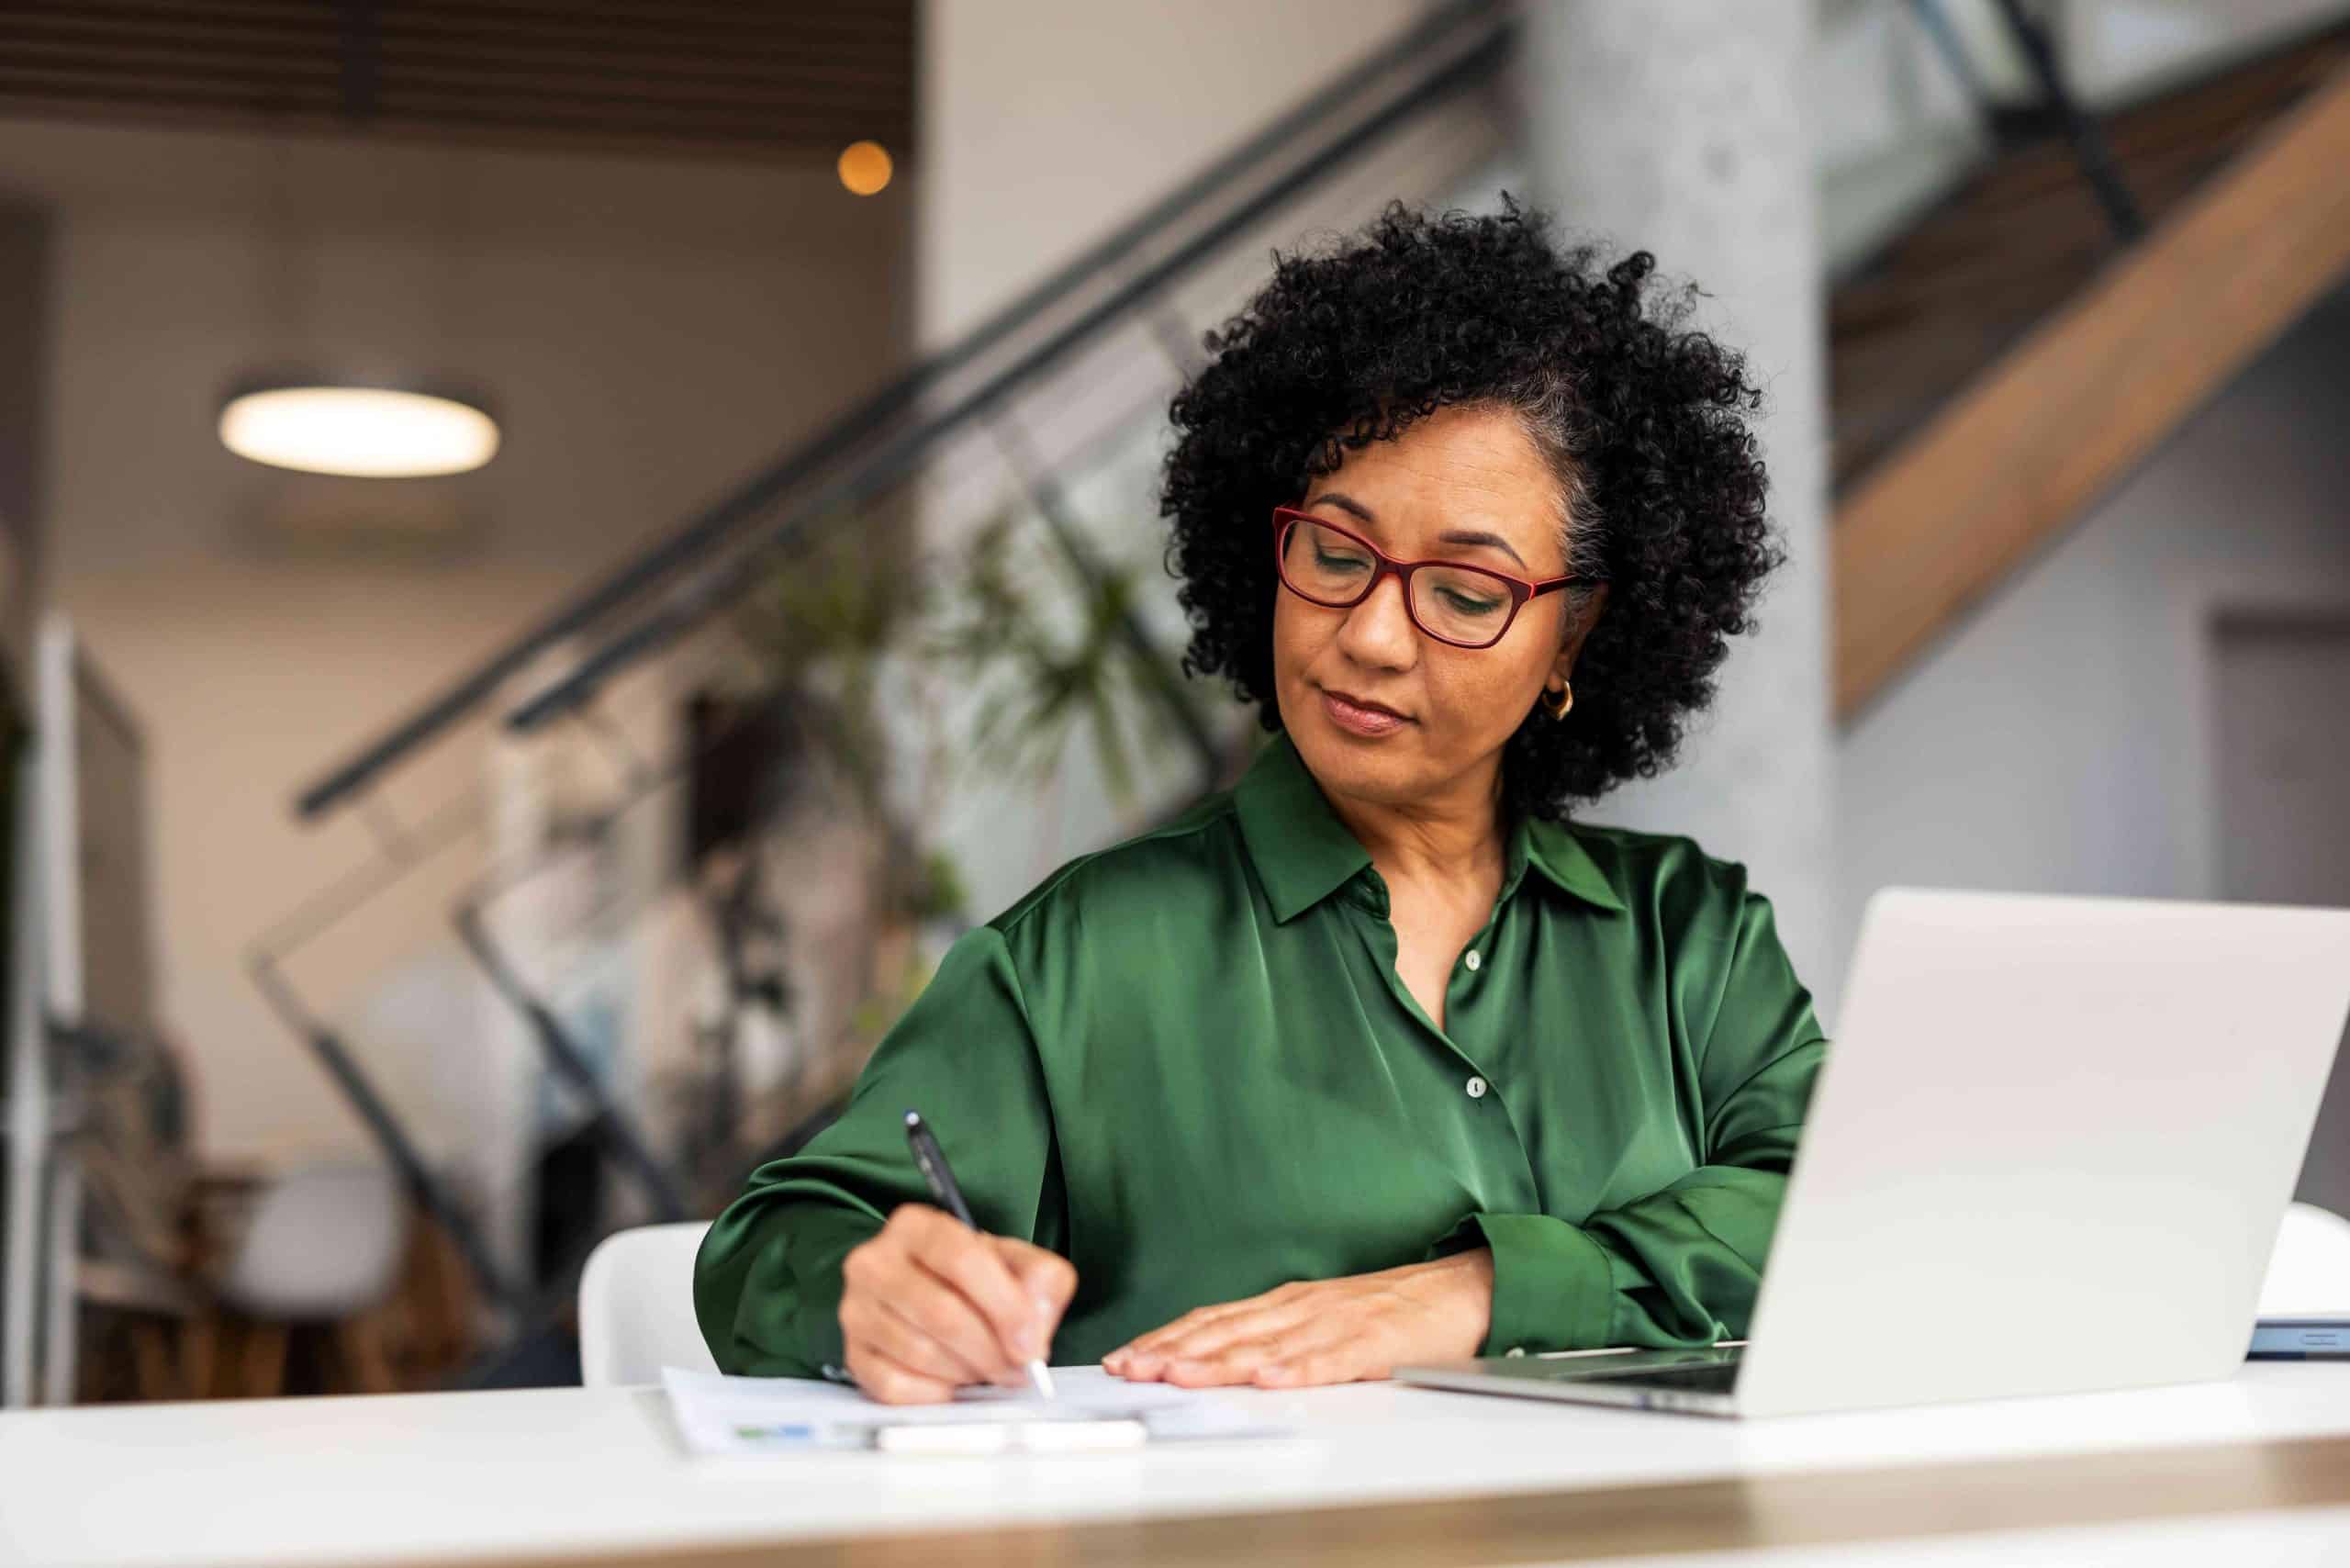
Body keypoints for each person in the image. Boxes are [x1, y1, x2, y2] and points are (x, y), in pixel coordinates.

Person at [694, 198, 1827, 1403]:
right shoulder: (1081, 964)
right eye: (1336, 556)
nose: (1374, 636)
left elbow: (1839, 1219)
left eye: (1463, 590)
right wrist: (872, 1289)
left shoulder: (1690, 943)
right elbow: (775, 1249)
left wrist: (1473, 1295)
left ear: (1573, 639)